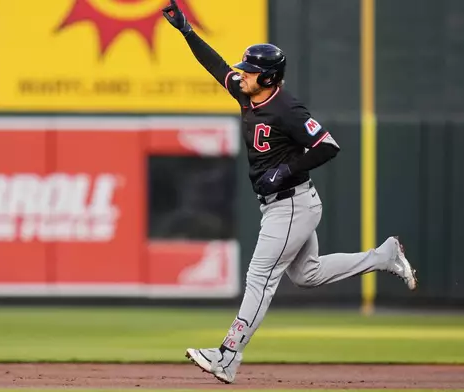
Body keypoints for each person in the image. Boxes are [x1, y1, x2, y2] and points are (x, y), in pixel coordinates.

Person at [161, 0, 418, 384]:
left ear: (268, 78)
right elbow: (216, 66)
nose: (241, 75)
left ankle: (228, 356)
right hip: (283, 206)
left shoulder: (288, 109)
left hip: (292, 204)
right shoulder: (248, 93)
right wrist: (187, 32)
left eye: (249, 71)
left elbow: (328, 145)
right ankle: (383, 256)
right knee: (307, 274)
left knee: (259, 277)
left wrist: (285, 169)